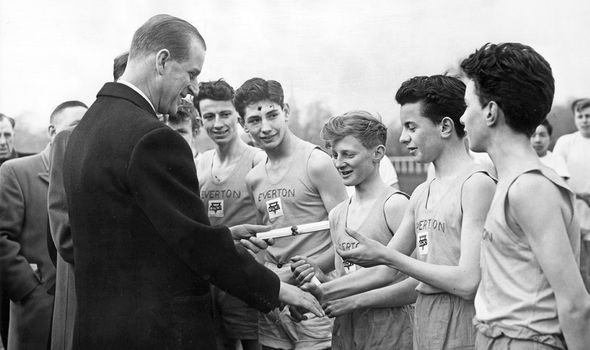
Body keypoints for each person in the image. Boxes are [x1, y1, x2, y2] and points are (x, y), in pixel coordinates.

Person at [62, 15, 321, 350]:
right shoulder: (152, 138)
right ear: (162, 60)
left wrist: (224, 234)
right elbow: (194, 242)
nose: (194, 89)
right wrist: (276, 289)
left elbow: (134, 235)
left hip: (102, 332)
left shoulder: (85, 131)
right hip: (157, 335)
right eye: (192, 73)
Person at [306, 75, 496, 350]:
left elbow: (467, 281)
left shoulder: (476, 183)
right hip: (426, 326)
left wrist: (387, 256)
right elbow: (384, 271)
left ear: (444, 126)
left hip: (466, 330)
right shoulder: (421, 192)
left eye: (411, 127)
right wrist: (320, 293)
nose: (404, 137)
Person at [460, 42, 590, 350]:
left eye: (467, 106)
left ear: (490, 111)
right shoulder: (508, 180)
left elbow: (575, 305)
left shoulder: (531, 187)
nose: (463, 118)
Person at [237, 77, 348, 350]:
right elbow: (267, 242)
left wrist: (307, 273)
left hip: (314, 298)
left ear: (285, 111)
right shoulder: (254, 178)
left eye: (272, 115)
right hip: (276, 301)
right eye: (254, 120)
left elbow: (345, 235)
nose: (265, 128)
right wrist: (272, 284)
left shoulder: (317, 163)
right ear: (243, 124)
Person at [292, 110, 413, 350]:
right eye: (334, 154)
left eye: (348, 154)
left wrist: (337, 296)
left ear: (377, 153)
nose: (338, 163)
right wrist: (317, 282)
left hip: (392, 335)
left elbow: (415, 286)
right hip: (347, 333)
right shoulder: (338, 213)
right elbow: (345, 279)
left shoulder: (396, 205)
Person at [0, 100, 86, 350]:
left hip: (74, 313)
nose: (78, 134)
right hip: (35, 312)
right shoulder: (15, 171)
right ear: (52, 132)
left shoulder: (85, 175)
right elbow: (2, 238)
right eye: (73, 126)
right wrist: (28, 289)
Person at [194, 79, 266, 350]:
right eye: (209, 116)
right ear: (200, 121)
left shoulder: (258, 160)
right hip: (211, 279)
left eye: (225, 114)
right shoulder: (199, 164)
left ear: (237, 115)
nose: (218, 123)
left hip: (248, 277)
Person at [554, 98, 590, 291]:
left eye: (589, 116)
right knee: (578, 267)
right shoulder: (565, 142)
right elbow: (559, 178)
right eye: (581, 116)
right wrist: (580, 195)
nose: (585, 120)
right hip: (574, 212)